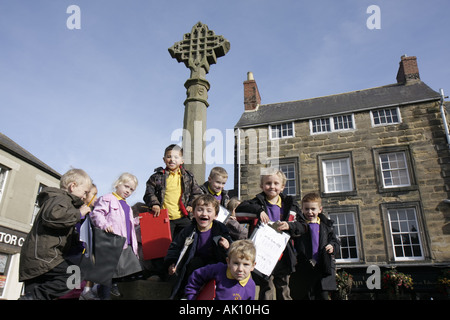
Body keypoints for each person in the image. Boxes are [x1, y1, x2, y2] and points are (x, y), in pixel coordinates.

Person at [18, 168, 93, 300]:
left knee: (36, 292)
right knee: (75, 275)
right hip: (45, 257)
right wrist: (78, 214)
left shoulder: (57, 199)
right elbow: (52, 217)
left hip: (36, 258)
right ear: (73, 186)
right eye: (85, 192)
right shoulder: (61, 199)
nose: (85, 197)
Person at [235, 168, 307, 300]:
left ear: (283, 186)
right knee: (266, 290)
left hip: (283, 255)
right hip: (262, 255)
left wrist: (290, 226)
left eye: (276, 183)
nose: (272, 186)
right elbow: (239, 212)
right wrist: (258, 211)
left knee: (284, 289)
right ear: (262, 186)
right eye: (268, 183)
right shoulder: (256, 203)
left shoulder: (290, 205)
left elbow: (303, 226)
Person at [143, 144, 202, 281]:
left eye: (176, 157)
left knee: (187, 242)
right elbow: (149, 192)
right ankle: (160, 274)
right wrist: (155, 204)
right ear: (164, 159)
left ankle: (182, 271)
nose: (172, 160)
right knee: (161, 247)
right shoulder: (157, 177)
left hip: (183, 216)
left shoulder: (188, 176)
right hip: (164, 217)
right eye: (169, 157)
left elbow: (197, 193)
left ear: (182, 160)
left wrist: (191, 205)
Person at [164, 194, 233, 299]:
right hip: (194, 265)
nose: (204, 213)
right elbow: (175, 247)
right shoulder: (188, 230)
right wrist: (172, 263)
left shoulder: (220, 229)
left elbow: (232, 249)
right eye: (200, 210)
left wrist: (227, 246)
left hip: (214, 263)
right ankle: (189, 296)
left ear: (215, 215)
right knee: (194, 265)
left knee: (218, 268)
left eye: (209, 211)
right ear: (194, 213)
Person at [89, 172, 142, 299]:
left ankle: (109, 285)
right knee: (110, 272)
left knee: (131, 270)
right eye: (126, 186)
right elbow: (96, 214)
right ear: (118, 184)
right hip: (112, 241)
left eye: (131, 189)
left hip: (125, 243)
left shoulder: (128, 206)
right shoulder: (107, 198)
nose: (128, 191)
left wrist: (137, 221)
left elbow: (126, 223)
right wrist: (104, 224)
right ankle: (104, 291)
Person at [293, 192, 340, 300]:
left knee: (322, 296)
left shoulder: (327, 226)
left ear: (320, 209)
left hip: (322, 268)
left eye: (313, 209)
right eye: (306, 209)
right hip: (303, 269)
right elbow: (293, 243)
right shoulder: (299, 226)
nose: (309, 212)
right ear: (302, 209)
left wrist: (332, 246)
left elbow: (336, 241)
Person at [185, 239, 256, 300]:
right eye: (236, 263)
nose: (240, 269)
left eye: (246, 264)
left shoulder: (251, 286)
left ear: (253, 266)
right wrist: (191, 296)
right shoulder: (219, 270)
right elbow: (197, 275)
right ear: (228, 261)